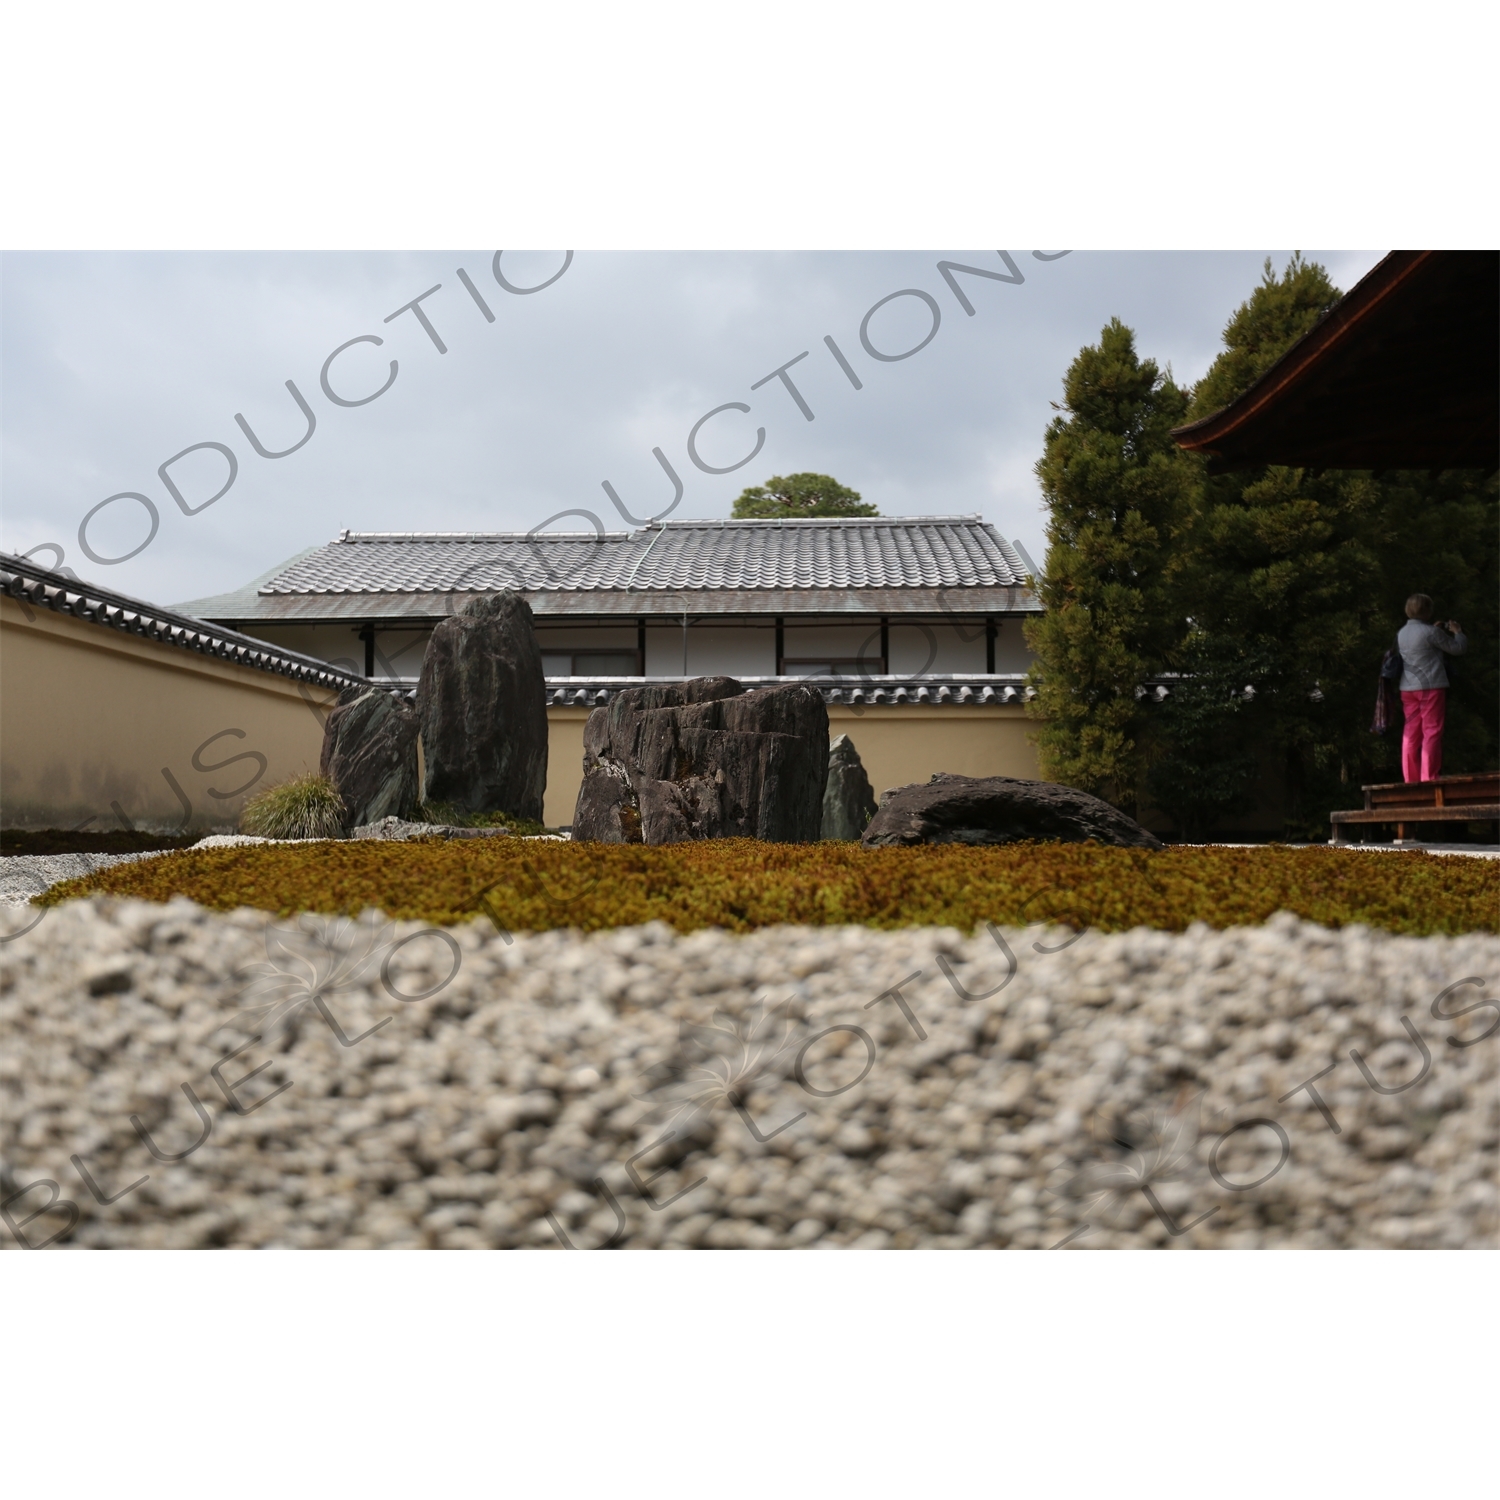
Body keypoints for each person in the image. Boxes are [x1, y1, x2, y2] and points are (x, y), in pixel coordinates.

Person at [1397, 594, 1466, 783]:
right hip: (1431, 686)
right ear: (1427, 611)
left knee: (1410, 733)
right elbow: (1457, 648)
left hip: (1408, 687)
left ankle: (1410, 779)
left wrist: (1432, 630)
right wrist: (1458, 632)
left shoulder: (1402, 632)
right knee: (1432, 731)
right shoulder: (1431, 633)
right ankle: (1429, 777)